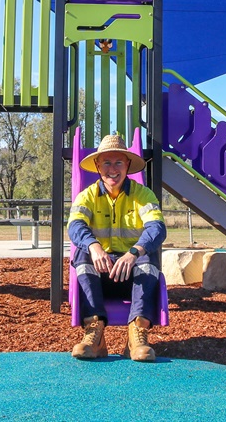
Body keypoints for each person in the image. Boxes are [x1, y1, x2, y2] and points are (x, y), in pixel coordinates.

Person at [67, 133, 166, 362]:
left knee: (148, 257)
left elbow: (157, 228)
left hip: (132, 276)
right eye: (107, 163)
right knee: (82, 253)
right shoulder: (87, 196)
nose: (113, 169)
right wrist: (93, 246)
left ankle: (137, 335)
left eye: (119, 162)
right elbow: (75, 225)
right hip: (100, 276)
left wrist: (134, 252)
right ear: (98, 166)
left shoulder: (143, 195)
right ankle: (95, 333)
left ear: (128, 165)